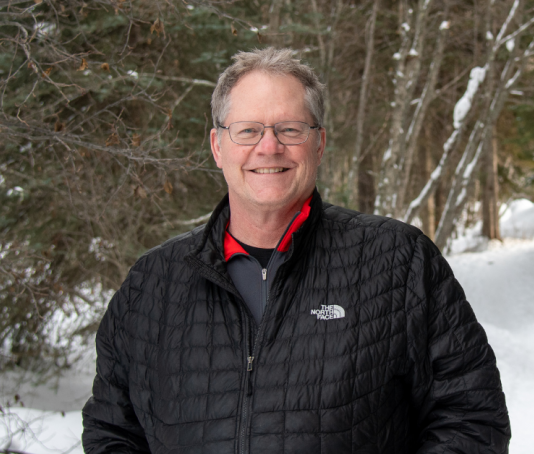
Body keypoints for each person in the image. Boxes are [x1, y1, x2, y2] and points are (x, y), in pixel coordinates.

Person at [81, 47, 510, 453]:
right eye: (248, 130)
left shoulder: (398, 261)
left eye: (290, 129)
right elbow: (112, 430)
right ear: (217, 146)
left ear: (319, 143)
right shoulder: (151, 284)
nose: (268, 147)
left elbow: (472, 415)